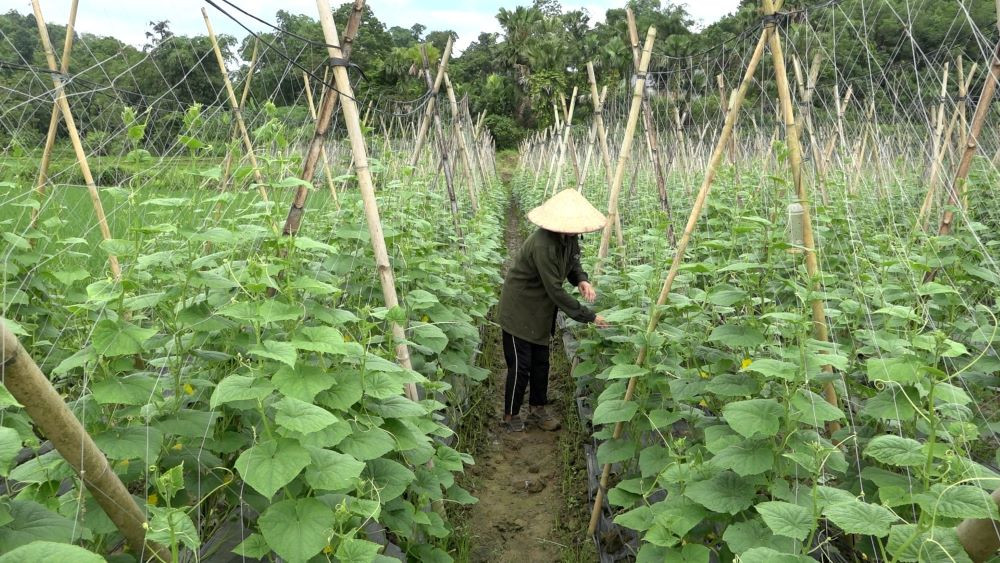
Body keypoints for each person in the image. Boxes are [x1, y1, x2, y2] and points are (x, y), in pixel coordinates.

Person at [497, 189, 609, 432]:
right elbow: (555, 292)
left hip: (540, 310)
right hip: (519, 309)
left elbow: (573, 261)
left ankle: (538, 409)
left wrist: (582, 279)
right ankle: (510, 415)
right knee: (521, 365)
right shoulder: (543, 244)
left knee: (541, 363)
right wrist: (589, 316)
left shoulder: (568, 239)